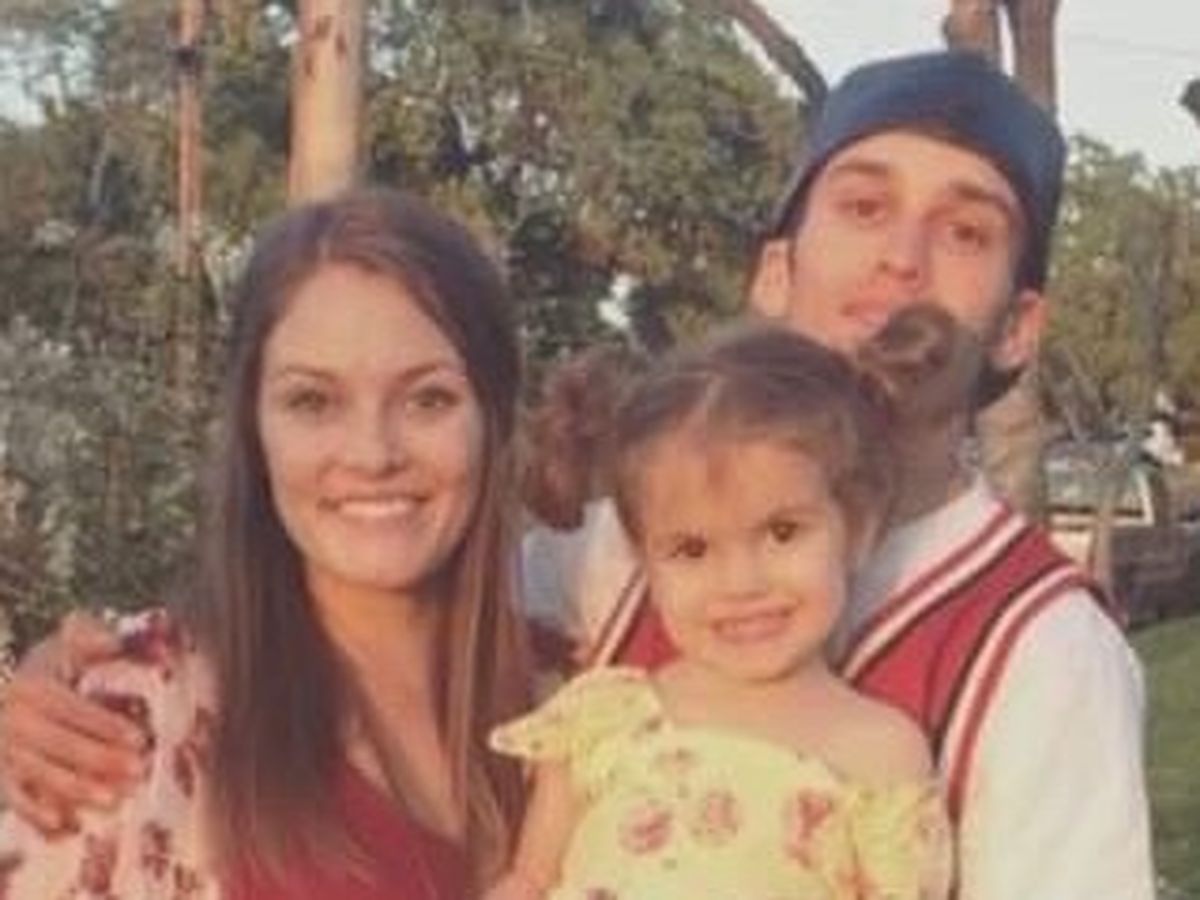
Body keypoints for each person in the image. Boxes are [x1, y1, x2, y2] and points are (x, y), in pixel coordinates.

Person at [0, 50, 1155, 899]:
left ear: (1021, 325)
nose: (901, 258)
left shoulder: (1041, 654)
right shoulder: (620, 564)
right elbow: (399, 573)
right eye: (863, 206)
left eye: (966, 231)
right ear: (773, 271)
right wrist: (54, 688)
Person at [0, 187, 532, 898]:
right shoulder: (137, 717)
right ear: (254, 429)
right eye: (312, 401)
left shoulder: (597, 698)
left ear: (495, 418)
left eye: (428, 398)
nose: (372, 453)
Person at [487, 311, 962, 900]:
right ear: (644, 559)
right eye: (692, 549)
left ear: (858, 526)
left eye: (782, 532)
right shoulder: (607, 716)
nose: (741, 583)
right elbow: (529, 880)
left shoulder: (880, 756)